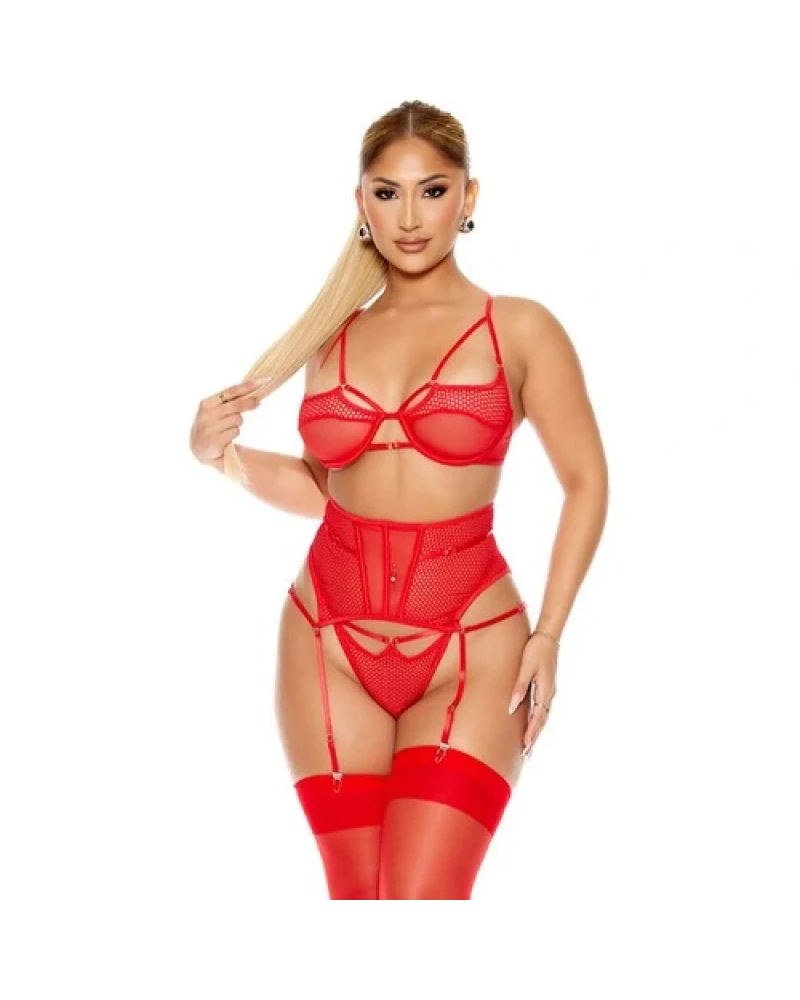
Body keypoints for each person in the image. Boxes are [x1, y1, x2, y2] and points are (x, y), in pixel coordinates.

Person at [189, 99, 608, 902]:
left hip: (469, 645)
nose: (410, 218)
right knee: (357, 904)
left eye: (433, 191)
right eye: (387, 193)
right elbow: (325, 490)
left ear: (468, 197)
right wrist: (221, 458)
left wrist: (550, 634)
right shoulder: (331, 337)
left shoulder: (519, 328)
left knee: (422, 901)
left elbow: (586, 481)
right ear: (361, 203)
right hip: (326, 640)